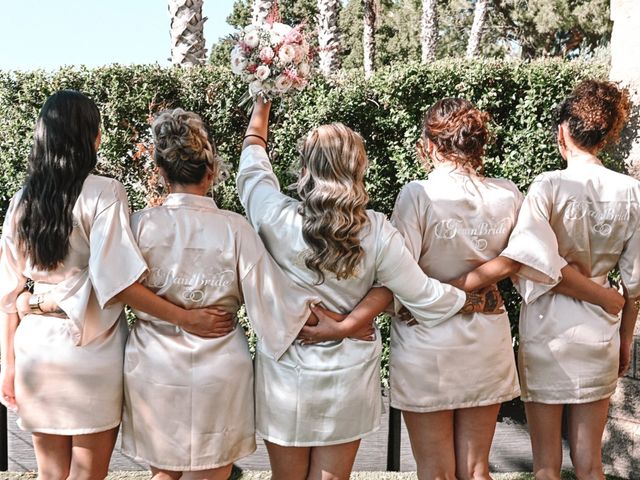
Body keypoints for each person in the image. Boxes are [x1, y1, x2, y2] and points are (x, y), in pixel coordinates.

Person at [237, 98, 502, 480]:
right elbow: (421, 293)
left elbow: (252, 169)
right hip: (348, 371)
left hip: (285, 369)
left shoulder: (273, 215)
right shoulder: (375, 229)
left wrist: (261, 105)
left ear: (306, 167)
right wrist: (467, 298)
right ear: (358, 168)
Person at [389, 97, 624, 480]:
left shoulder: (418, 194)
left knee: (435, 471)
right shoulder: (507, 193)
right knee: (477, 469)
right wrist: (471, 292)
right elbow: (525, 262)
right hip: (486, 339)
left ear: (430, 145)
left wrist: (446, 296)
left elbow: (400, 276)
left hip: (427, 344)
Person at [0, 91, 226, 479]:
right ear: (91, 136)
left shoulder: (22, 200)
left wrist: (8, 364)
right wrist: (186, 318)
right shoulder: (105, 192)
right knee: (89, 476)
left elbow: (7, 292)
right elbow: (117, 282)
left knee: (50, 475)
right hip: (92, 351)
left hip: (34, 350)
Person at [119, 108, 323, 480]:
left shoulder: (140, 225)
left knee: (163, 473)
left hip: (154, 364)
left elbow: (119, 288)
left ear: (161, 174)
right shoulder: (236, 228)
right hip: (220, 369)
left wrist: (178, 317)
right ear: (211, 174)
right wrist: (340, 319)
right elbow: (274, 298)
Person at [457, 80, 636, 480]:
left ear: (563, 131)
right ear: (605, 136)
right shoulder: (632, 192)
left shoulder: (547, 186)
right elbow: (635, 284)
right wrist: (623, 334)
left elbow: (535, 264)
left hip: (547, 333)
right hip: (601, 333)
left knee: (545, 467)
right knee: (591, 464)